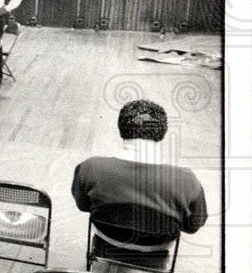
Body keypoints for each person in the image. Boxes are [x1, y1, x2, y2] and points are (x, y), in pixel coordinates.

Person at [72, 99, 207, 238]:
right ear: (162, 133)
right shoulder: (186, 180)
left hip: (107, 239)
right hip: (157, 249)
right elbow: (193, 226)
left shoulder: (90, 167)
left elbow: (83, 205)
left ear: (121, 129)